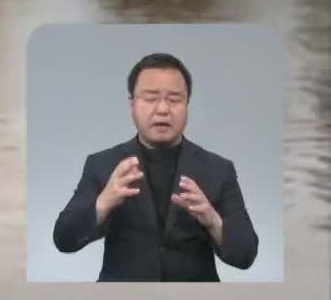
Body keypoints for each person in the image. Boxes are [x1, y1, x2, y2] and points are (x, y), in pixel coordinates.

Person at [51, 51, 258, 281]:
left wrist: (212, 220)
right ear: (132, 104)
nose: (162, 109)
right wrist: (103, 203)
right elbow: (63, 239)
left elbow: (246, 255)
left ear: (188, 103)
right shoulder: (102, 164)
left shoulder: (219, 169)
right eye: (150, 98)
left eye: (174, 99)